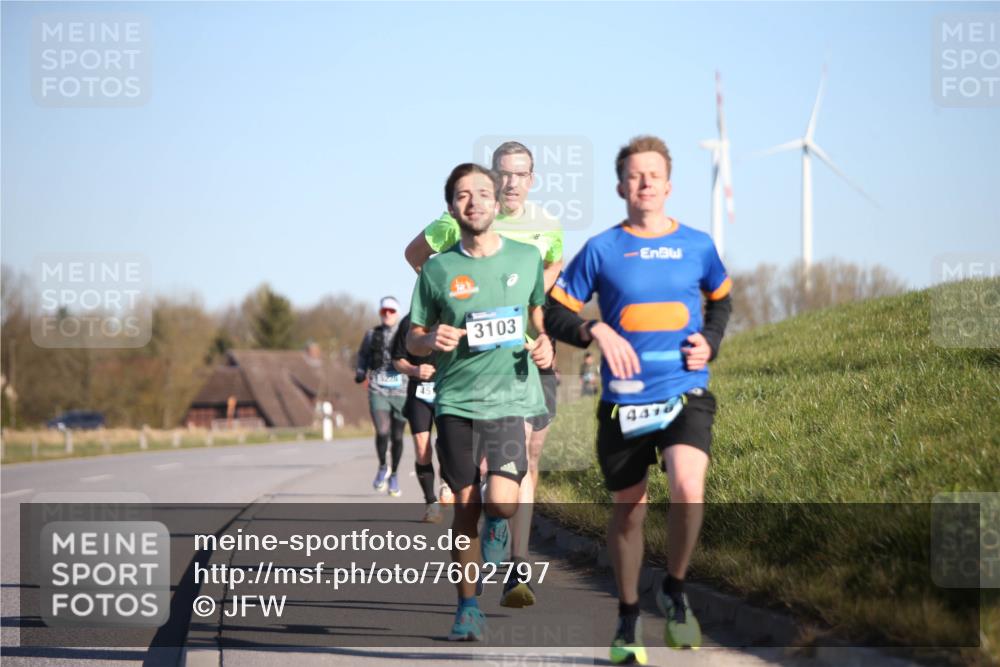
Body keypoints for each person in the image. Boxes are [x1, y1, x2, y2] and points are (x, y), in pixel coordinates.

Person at [545, 136, 733, 664]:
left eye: (654, 174)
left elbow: (722, 301)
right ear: (620, 186)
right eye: (635, 175)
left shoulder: (698, 244)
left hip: (683, 390)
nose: (645, 182)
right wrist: (593, 331)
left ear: (669, 186)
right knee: (630, 510)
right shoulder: (602, 249)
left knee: (688, 487)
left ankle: (674, 588)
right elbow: (555, 311)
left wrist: (711, 341)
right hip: (623, 402)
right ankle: (628, 614)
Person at [404, 141, 563, 607]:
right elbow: (417, 257)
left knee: (526, 461)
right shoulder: (458, 219)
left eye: (520, 174)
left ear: (530, 179)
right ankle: (471, 601)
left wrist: (538, 327)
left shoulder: (545, 230)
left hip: (518, 368)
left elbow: (546, 279)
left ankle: (518, 559)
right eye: (504, 173)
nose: (511, 182)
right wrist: (448, 306)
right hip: (462, 378)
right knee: (471, 495)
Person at [390, 312, 446, 522]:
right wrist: (414, 369)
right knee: (422, 449)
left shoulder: (454, 313)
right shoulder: (410, 321)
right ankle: (431, 504)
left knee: (448, 445)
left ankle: (447, 483)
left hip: (448, 390)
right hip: (419, 391)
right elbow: (397, 360)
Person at [355, 296, 409, 497]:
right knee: (382, 431)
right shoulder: (371, 334)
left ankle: (394, 474)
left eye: (391, 311)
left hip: (402, 391)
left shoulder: (407, 333)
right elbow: (362, 355)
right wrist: (360, 371)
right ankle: (382, 466)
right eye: (384, 311)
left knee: (397, 436)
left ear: (397, 313)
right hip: (378, 389)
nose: (387, 314)